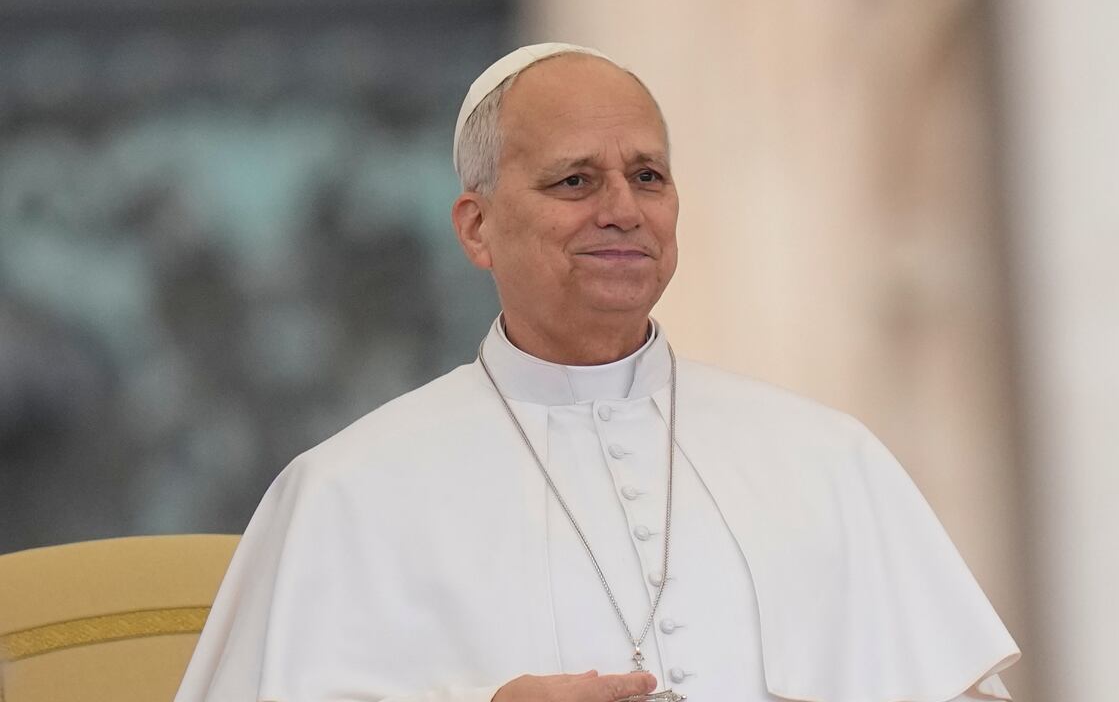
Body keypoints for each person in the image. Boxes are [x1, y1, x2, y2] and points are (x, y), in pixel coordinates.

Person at [175, 43, 1019, 702]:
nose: (621, 208)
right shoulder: (342, 495)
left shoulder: (830, 462)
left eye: (646, 176)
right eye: (575, 180)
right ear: (477, 229)